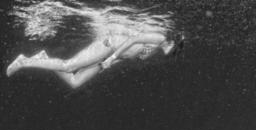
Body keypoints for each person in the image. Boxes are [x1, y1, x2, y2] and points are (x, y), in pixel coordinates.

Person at [6, 5, 176, 88]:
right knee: (68, 66)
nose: (173, 53)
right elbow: (132, 40)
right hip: (108, 47)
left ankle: (43, 58)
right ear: (172, 41)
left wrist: (108, 63)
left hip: (107, 57)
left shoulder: (154, 49)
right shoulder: (160, 37)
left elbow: (129, 54)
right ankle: (23, 62)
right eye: (175, 49)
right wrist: (112, 58)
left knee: (75, 81)